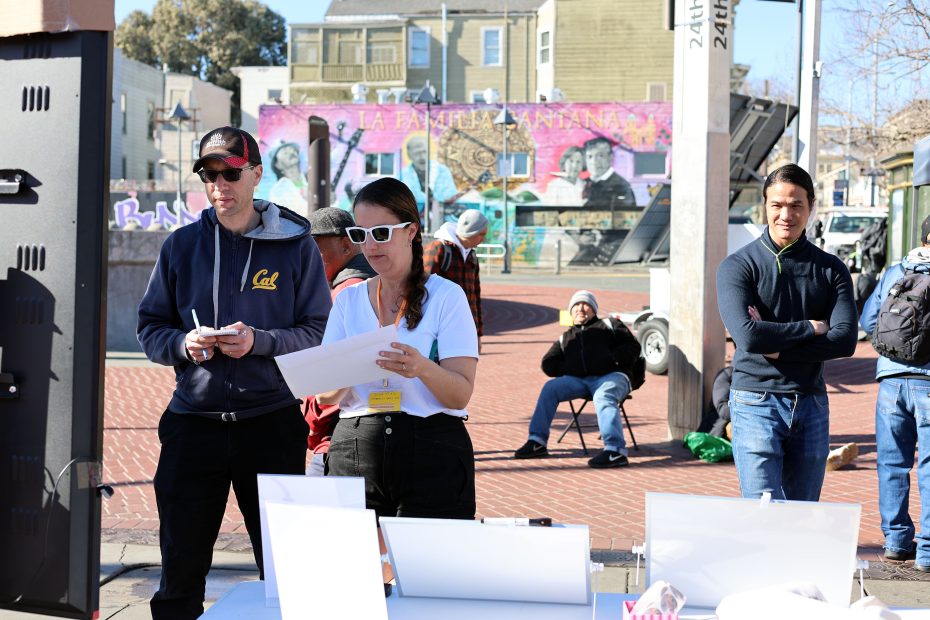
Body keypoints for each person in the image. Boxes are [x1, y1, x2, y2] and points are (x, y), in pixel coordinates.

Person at [137, 126, 331, 620]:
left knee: (285, 573)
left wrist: (259, 343)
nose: (220, 183)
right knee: (179, 577)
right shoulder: (181, 246)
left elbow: (319, 330)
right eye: (209, 174)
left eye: (231, 172)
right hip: (193, 424)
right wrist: (184, 344)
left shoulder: (296, 245)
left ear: (256, 174)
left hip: (270, 424)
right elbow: (151, 327)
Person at [318, 176, 479, 520]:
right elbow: (324, 397)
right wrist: (352, 365)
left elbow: (460, 395)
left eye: (381, 232)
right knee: (357, 570)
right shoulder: (348, 300)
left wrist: (422, 367)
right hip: (356, 448)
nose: (371, 246)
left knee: (429, 570)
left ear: (411, 231)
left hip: (431, 449)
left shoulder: (447, 297)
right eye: (360, 235)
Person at [716, 163, 857, 502]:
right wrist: (809, 327)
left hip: (811, 401)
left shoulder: (830, 268)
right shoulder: (738, 266)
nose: (786, 214)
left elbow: (845, 340)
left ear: (810, 206)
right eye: (777, 205)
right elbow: (748, 337)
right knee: (762, 509)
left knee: (803, 511)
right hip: (755, 400)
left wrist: (779, 345)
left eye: (796, 205)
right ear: (764, 205)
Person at [859, 215, 930, 570]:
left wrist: (893, 353)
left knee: (892, 463)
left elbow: (869, 320)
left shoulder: (895, 271)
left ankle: (897, 541)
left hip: (890, 381)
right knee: (929, 466)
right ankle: (929, 551)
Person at [514, 290, 642, 468]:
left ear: (594, 309)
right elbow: (548, 363)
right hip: (579, 380)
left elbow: (633, 346)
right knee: (550, 388)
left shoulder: (609, 324)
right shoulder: (566, 337)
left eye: (586, 304)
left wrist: (613, 359)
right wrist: (570, 369)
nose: (581, 308)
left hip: (612, 376)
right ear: (570, 311)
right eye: (576, 305)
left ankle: (615, 450)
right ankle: (537, 442)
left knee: (603, 396)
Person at [303, 207, 377, 476]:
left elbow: (331, 382)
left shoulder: (346, 294)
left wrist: (312, 423)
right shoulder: (379, 283)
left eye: (315, 251)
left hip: (341, 435)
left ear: (346, 245)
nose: (308, 260)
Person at [423, 209, 488, 347]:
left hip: (464, 328)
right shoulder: (439, 248)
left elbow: (474, 298)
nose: (483, 239)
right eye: (481, 234)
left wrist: (477, 334)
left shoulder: (472, 256)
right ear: (470, 232)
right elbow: (422, 289)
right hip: (439, 327)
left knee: (463, 368)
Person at [398, 136, 458, 222]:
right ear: (409, 155)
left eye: (424, 152)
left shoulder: (442, 171)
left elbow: (451, 196)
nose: (422, 157)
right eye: (417, 153)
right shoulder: (402, 175)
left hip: (442, 220)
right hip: (412, 221)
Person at [582, 137, 636, 209]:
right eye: (590, 156)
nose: (594, 162)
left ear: (611, 157)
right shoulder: (582, 183)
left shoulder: (621, 187)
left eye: (600, 156)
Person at [267, 142, 308, 214]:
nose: (291, 152)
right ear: (277, 165)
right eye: (285, 152)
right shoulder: (278, 191)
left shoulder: (313, 178)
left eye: (293, 150)